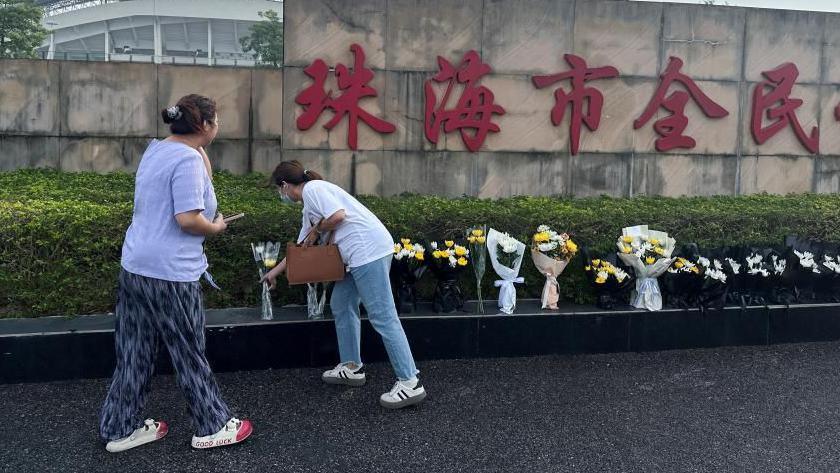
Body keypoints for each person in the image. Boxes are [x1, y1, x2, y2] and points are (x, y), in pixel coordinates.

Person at [99, 94, 253, 452]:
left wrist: (200, 144)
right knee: (188, 350)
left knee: (133, 351)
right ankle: (212, 425)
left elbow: (201, 178)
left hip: (136, 265)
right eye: (216, 121)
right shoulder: (186, 159)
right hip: (171, 273)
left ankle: (120, 428)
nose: (219, 127)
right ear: (206, 125)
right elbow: (187, 219)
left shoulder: (159, 150)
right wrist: (214, 228)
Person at [262, 160, 427, 409]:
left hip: (367, 252)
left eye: (279, 189)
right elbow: (300, 248)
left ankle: (410, 382)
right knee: (341, 303)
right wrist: (273, 272)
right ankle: (351, 367)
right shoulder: (309, 204)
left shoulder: (314, 189)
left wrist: (318, 229)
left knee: (383, 317)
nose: (280, 195)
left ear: (285, 185)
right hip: (357, 256)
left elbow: (338, 216)